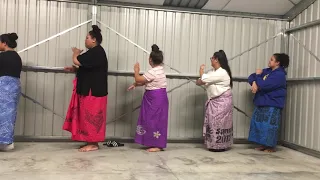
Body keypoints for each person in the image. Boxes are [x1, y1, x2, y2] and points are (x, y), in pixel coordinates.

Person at [63, 25, 108, 152]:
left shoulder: (97, 51)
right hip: (91, 90)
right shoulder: (95, 52)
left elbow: (77, 61)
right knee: (87, 116)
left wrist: (76, 53)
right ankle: (90, 141)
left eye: (87, 38)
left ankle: (93, 143)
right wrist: (74, 69)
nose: (85, 40)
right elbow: (87, 67)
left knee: (92, 116)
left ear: (94, 40)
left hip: (94, 92)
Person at [127, 44, 169, 152]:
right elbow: (147, 82)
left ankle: (157, 144)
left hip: (155, 99)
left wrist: (136, 70)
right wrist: (135, 85)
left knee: (154, 121)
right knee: (152, 120)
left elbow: (139, 78)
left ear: (150, 60)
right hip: (156, 98)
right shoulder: (160, 70)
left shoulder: (153, 71)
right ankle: (152, 142)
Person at [248, 53, 290, 153]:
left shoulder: (279, 75)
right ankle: (263, 144)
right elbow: (251, 76)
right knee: (259, 124)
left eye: (271, 59)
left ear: (277, 63)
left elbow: (264, 85)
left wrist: (258, 76)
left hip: (272, 103)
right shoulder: (267, 71)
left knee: (269, 126)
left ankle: (270, 146)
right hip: (261, 102)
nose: (269, 61)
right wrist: (254, 82)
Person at [196, 50, 233, 152]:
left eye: (212, 58)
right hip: (214, 101)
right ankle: (213, 144)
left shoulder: (222, 72)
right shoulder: (212, 72)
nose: (211, 60)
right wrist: (202, 79)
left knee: (219, 123)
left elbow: (203, 78)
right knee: (212, 123)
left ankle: (220, 145)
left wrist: (201, 72)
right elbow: (200, 81)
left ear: (216, 60)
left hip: (222, 102)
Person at [0, 33, 22, 151]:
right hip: (14, 87)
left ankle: (3, 142)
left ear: (4, 43)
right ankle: (7, 142)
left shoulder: (3, 57)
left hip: (3, 87)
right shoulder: (17, 57)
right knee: (9, 114)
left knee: (2, 114)